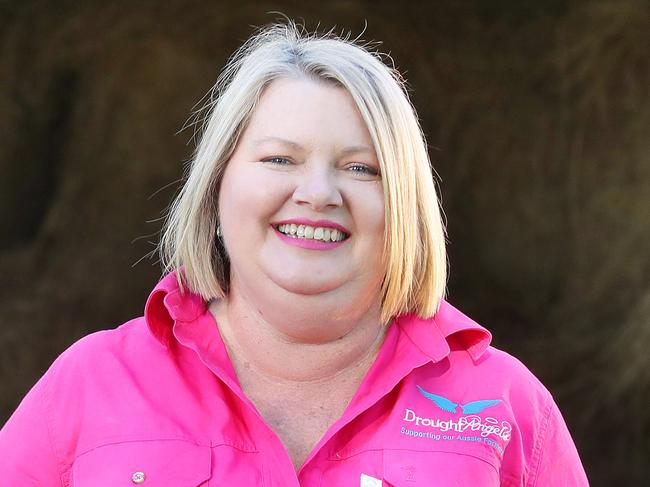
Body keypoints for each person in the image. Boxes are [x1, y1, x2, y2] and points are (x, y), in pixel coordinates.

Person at [0, 22, 588, 486]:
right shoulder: (90, 385)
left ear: (406, 206)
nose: (317, 194)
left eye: (361, 169)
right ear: (218, 183)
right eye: (280, 159)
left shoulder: (506, 408)